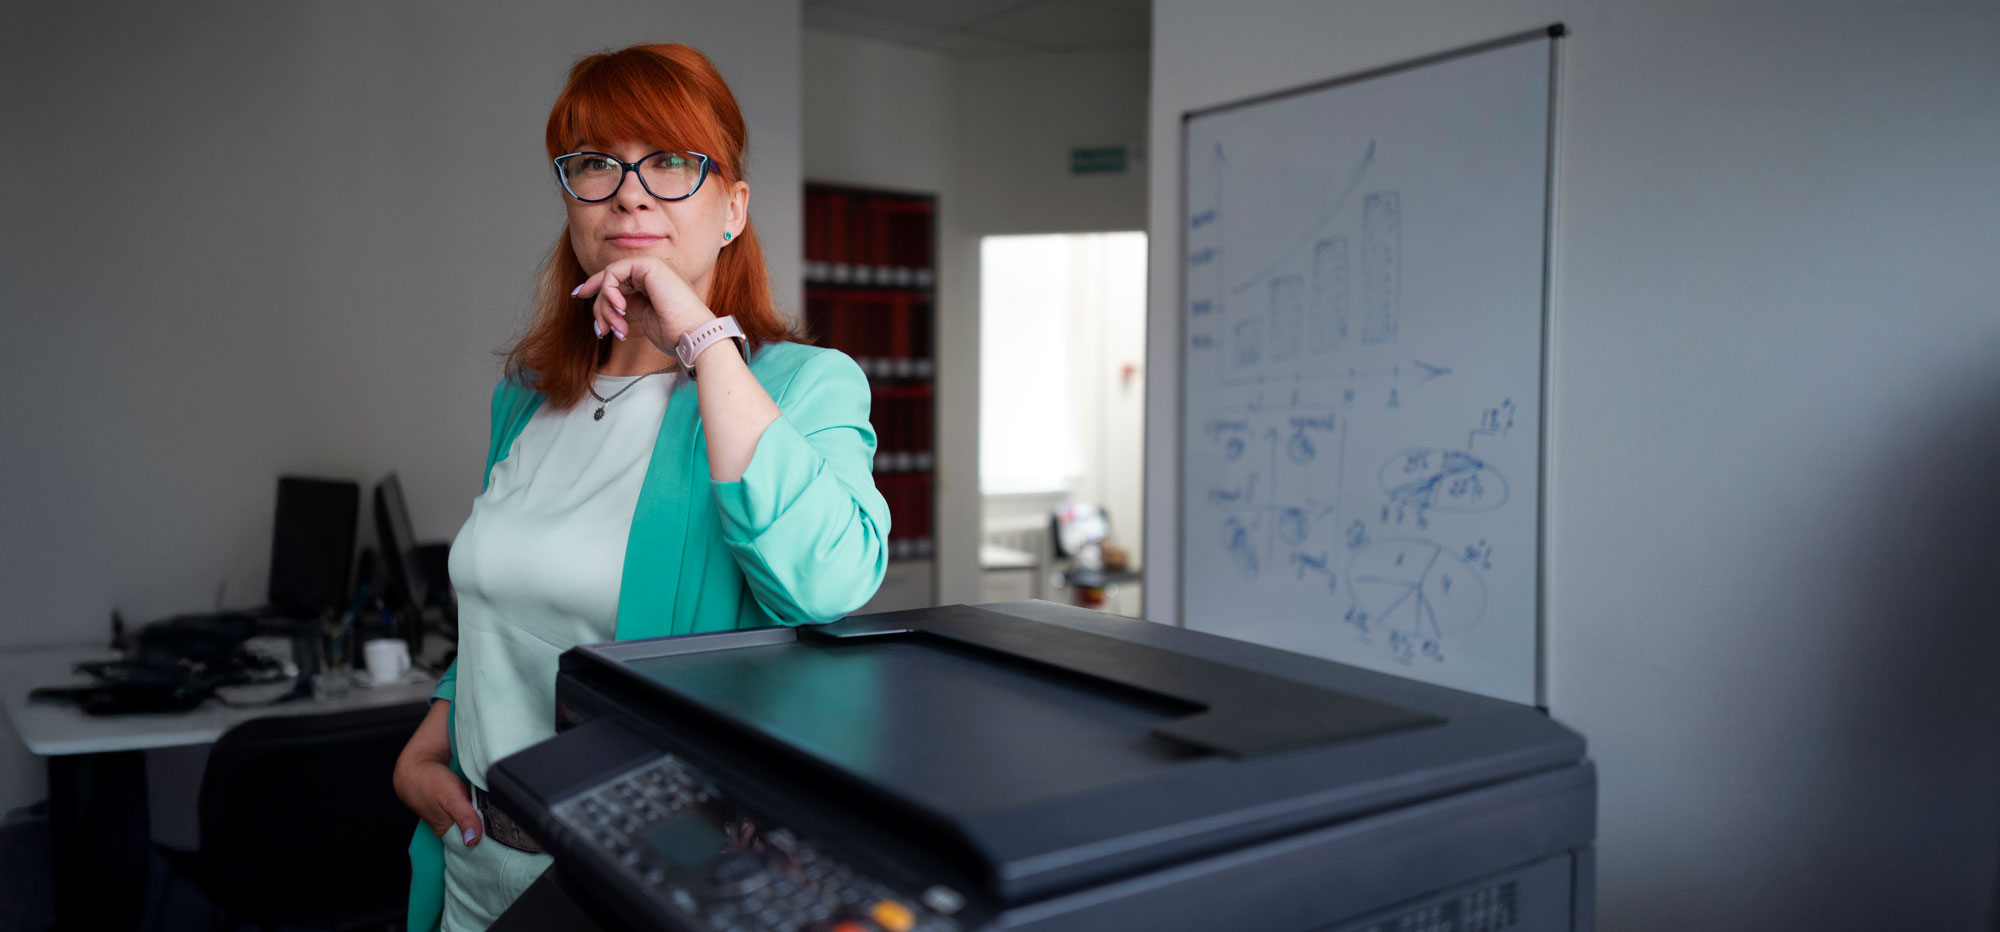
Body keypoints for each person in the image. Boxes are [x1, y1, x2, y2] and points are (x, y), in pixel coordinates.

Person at [391, 43, 890, 931]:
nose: (630, 190)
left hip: (633, 887)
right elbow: (515, 601)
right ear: (571, 200)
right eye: (597, 163)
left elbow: (831, 580)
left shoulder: (801, 387)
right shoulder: (526, 398)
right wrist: (432, 738)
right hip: (476, 867)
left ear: (733, 208)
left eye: (669, 161)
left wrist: (701, 337)